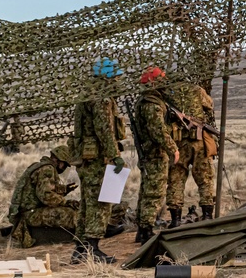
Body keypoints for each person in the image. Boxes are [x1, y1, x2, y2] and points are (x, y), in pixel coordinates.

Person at [70, 57, 127, 265]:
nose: (118, 81)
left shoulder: (86, 94)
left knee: (86, 204)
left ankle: (80, 249)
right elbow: (104, 129)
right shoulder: (101, 98)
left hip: (87, 159)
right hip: (98, 160)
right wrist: (115, 156)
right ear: (108, 77)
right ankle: (93, 250)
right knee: (100, 203)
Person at [133, 66, 179, 243]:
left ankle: (143, 229)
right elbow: (158, 131)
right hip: (155, 154)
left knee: (147, 190)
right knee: (154, 192)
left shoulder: (146, 100)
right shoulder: (152, 104)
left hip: (150, 152)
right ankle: (147, 231)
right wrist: (172, 148)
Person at [5, 144, 79, 248]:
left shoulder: (43, 166)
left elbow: (47, 189)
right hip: (30, 213)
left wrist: (65, 189)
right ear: (58, 160)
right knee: (70, 214)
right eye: (64, 165)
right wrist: (66, 202)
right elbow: (46, 196)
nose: (64, 168)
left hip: (29, 211)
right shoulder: (47, 169)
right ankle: (84, 236)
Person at [165, 81, 218, 224]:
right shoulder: (197, 90)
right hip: (199, 142)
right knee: (205, 179)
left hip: (178, 143)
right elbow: (209, 105)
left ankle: (175, 219)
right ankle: (207, 216)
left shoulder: (167, 93)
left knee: (176, 179)